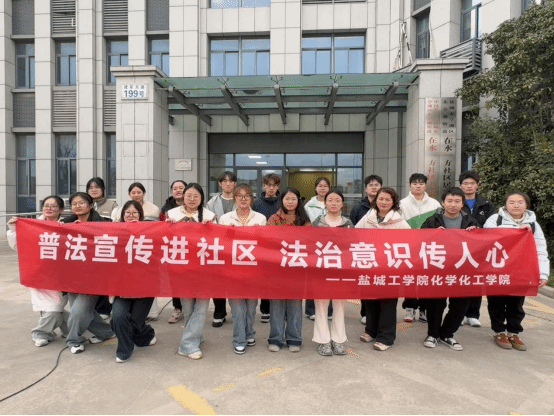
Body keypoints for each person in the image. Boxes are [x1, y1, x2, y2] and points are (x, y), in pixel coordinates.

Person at [484, 192, 549, 352]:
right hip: (498, 269)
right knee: (496, 302)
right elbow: (486, 238)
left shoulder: (533, 225)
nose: (516, 205)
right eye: (512, 202)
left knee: (517, 303)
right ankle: (499, 331)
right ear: (505, 205)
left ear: (526, 205)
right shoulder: (495, 220)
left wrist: (543, 274)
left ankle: (514, 332)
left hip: (521, 271)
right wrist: (516, 231)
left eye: (520, 202)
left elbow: (540, 250)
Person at [421, 187, 479, 351]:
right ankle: (432, 334)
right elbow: (420, 239)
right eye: (450, 201)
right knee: (435, 303)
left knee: (460, 305)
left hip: (462, 270)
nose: (453, 205)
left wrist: (476, 233)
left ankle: (447, 334)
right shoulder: (432, 220)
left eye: (457, 201)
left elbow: (482, 244)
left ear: (462, 203)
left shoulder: (471, 221)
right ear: (443, 202)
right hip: (438, 269)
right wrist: (432, 233)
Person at [7, 197, 69, 347]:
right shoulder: (33, 226)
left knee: (56, 307)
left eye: (53, 206)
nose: (49, 208)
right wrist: (14, 229)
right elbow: (18, 246)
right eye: (46, 205)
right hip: (39, 274)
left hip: (60, 276)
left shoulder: (67, 225)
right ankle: (41, 333)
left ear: (61, 209)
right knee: (53, 309)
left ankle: (69, 327)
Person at [356, 188, 411, 351]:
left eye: (388, 199)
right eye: (381, 199)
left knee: (388, 303)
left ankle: (386, 337)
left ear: (393, 202)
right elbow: (355, 235)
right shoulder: (368, 217)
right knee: (370, 300)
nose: (384, 202)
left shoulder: (400, 221)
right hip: (370, 266)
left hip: (390, 269)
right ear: (376, 200)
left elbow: (409, 243)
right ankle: (371, 331)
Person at [167, 183, 217, 360]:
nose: (192, 199)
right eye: (189, 195)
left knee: (201, 308)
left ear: (202, 198)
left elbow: (217, 243)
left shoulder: (210, 216)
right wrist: (168, 227)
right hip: (181, 270)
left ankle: (187, 345)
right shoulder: (172, 214)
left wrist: (211, 228)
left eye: (196, 196)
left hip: (204, 270)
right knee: (188, 309)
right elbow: (165, 240)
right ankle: (196, 336)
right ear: (183, 196)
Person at [61, 193, 115, 354]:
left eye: (81, 203)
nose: (77, 206)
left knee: (78, 311)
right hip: (71, 276)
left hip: (93, 278)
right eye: (74, 203)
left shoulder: (104, 223)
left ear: (91, 205)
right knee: (84, 311)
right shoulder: (65, 223)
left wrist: (85, 229)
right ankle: (107, 332)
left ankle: (74, 340)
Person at [219, 184, 267, 355]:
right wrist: (229, 234)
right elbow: (220, 244)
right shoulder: (225, 219)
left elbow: (265, 244)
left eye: (247, 195)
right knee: (238, 307)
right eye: (239, 195)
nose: (243, 199)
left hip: (254, 271)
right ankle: (239, 339)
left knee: (251, 306)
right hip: (233, 271)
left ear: (251, 199)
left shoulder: (260, 218)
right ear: (235, 199)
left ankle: (249, 333)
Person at [111, 201, 157, 363]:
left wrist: (171, 222)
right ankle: (124, 350)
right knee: (118, 318)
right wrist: (72, 224)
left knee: (135, 322)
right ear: (122, 215)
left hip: (144, 288)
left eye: (134, 213)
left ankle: (146, 334)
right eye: (127, 213)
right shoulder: (114, 232)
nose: (130, 216)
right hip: (121, 289)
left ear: (141, 215)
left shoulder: (150, 231)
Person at [267, 187, 311, 353]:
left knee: (295, 305)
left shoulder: (304, 220)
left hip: (297, 268)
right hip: (277, 268)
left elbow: (308, 242)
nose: (290, 202)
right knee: (276, 305)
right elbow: (269, 241)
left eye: (293, 199)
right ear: (282, 200)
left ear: (298, 201)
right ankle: (276, 339)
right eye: (287, 199)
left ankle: (294, 338)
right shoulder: (273, 219)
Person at [312, 189, 353, 357]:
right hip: (321, 271)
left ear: (342, 204)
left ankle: (338, 340)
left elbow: (353, 247)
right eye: (330, 200)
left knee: (339, 306)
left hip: (341, 271)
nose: (334, 203)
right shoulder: (317, 223)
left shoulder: (348, 224)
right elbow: (310, 245)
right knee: (321, 306)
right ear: (325, 203)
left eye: (337, 200)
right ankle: (323, 341)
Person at [400, 173, 442, 324]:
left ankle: (424, 309)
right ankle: (409, 308)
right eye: (415, 183)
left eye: (421, 183)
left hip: (429, 247)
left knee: (426, 278)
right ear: (410, 185)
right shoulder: (402, 204)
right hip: (409, 246)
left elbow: (439, 222)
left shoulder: (435, 204)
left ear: (425, 185)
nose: (418, 186)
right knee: (410, 278)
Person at [459, 171, 496, 328]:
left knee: (477, 280)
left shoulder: (486, 204)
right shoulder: (456, 201)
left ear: (477, 185)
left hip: (480, 249)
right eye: (466, 183)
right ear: (461, 186)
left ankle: (473, 315)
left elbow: (493, 224)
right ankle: (459, 314)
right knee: (460, 281)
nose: (469, 186)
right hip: (460, 249)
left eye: (472, 183)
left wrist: (479, 231)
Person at [350, 174, 383, 324]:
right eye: (371, 185)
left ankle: (381, 313)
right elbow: (353, 229)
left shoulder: (387, 205)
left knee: (380, 282)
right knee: (365, 282)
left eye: (377, 185)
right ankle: (365, 313)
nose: (374, 187)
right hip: (364, 251)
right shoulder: (358, 208)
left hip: (383, 251)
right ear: (365, 189)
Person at [207, 172, 238, 329]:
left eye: (230, 181)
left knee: (235, 280)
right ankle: (219, 312)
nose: (227, 184)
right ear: (220, 183)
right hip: (217, 246)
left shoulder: (240, 199)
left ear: (234, 184)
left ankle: (237, 312)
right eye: (224, 181)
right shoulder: (211, 202)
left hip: (236, 247)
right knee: (217, 280)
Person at [253, 173, 282, 324]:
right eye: (268, 185)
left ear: (278, 186)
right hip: (262, 245)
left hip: (280, 245)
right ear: (264, 186)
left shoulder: (283, 202)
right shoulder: (256, 203)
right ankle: (265, 309)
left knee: (278, 278)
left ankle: (278, 308)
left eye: (274, 185)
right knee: (264, 278)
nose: (271, 188)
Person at [304, 177, 333, 321]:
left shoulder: (332, 202)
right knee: (313, 277)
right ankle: (311, 310)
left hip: (330, 245)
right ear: (315, 188)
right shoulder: (309, 205)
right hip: (313, 245)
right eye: (320, 186)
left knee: (329, 277)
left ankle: (329, 310)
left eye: (325, 186)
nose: (322, 188)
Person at [160, 180, 187, 324]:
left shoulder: (195, 206)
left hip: (192, 248)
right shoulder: (165, 209)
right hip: (173, 248)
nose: (178, 190)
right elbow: (160, 228)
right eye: (175, 188)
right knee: (175, 279)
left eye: (181, 188)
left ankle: (191, 307)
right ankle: (178, 308)